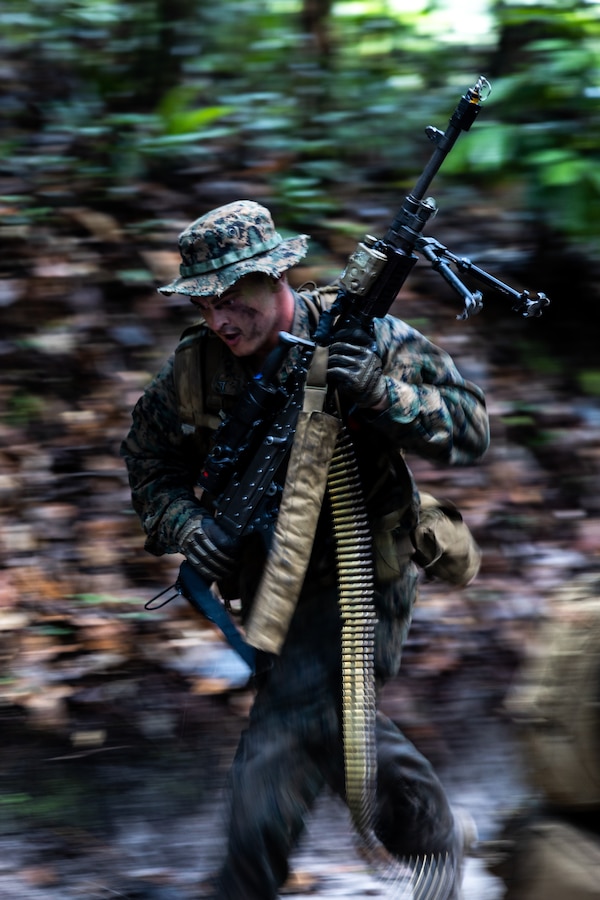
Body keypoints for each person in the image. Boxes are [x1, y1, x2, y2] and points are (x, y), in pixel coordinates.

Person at [121, 199, 490, 899]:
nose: (221, 319)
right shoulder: (198, 370)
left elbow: (471, 429)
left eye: (236, 298)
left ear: (278, 276)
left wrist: (382, 394)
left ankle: (243, 885)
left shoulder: (365, 339)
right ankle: (429, 830)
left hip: (361, 577)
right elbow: (148, 462)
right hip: (267, 588)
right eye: (207, 305)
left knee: (284, 733)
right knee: (323, 725)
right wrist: (187, 526)